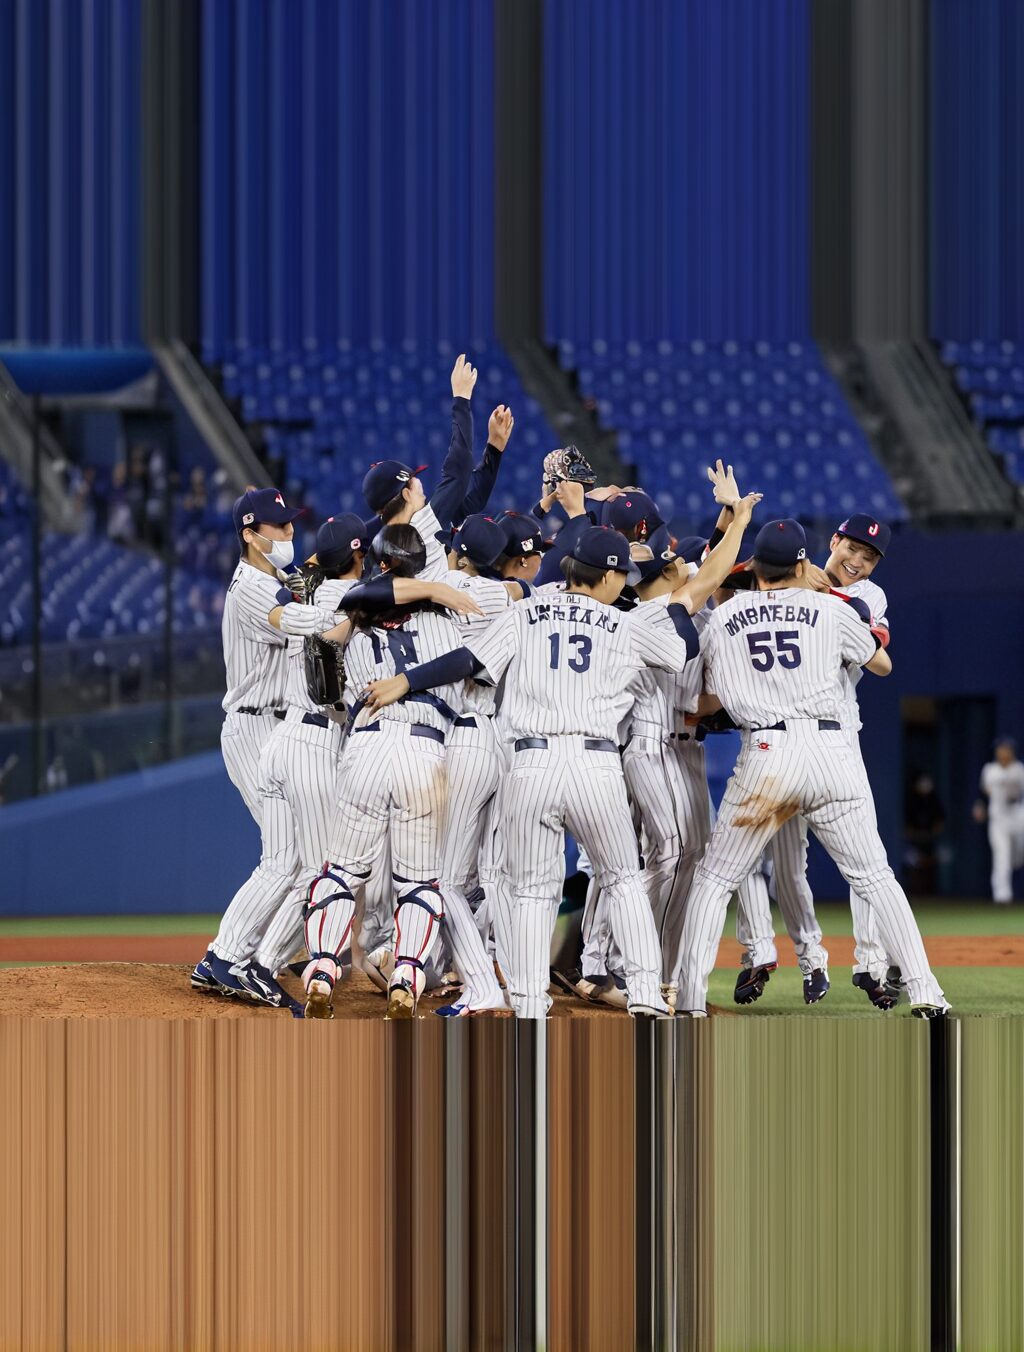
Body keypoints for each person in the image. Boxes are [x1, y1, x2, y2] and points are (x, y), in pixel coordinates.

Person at [371, 524, 718, 1019]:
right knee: (622, 878)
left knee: (531, 891)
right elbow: (682, 650)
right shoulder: (622, 623)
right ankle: (645, 994)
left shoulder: (525, 613)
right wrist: (680, 607)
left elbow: (468, 660)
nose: (625, 583)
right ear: (607, 576)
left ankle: (530, 1003)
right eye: (622, 575)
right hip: (595, 764)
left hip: (530, 763)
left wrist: (406, 680)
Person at [674, 518, 948, 1018]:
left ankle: (690, 1000)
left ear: (757, 566)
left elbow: (697, 702)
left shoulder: (725, 617)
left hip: (767, 757)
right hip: (831, 752)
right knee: (875, 876)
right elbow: (882, 664)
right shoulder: (832, 607)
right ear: (804, 563)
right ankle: (927, 990)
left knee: (715, 880)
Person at [301, 524, 501, 1021]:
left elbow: (322, 672)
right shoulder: (451, 620)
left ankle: (322, 970)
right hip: (425, 752)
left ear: (381, 563)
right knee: (417, 881)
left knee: (342, 871)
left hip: (366, 746)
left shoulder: (355, 618)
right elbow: (471, 661)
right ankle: (407, 979)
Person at [974, 739, 1024, 902]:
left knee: (1017, 856)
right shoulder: (990, 770)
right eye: (1000, 749)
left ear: (1012, 752)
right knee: (1001, 857)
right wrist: (980, 806)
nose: (1003, 752)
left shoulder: (1019, 770)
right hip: (998, 820)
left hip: (1018, 818)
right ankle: (1002, 896)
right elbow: (982, 793)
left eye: (1006, 749)